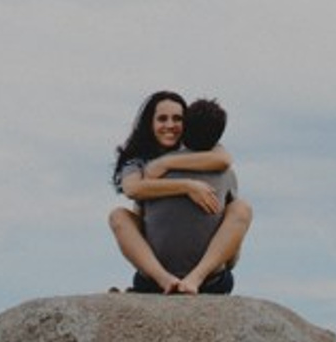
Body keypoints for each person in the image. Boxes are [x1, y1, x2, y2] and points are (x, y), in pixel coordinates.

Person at [108, 91, 253, 295]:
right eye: (162, 119)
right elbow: (133, 189)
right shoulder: (138, 161)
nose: (170, 125)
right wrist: (187, 186)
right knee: (119, 215)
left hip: (204, 277)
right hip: (156, 275)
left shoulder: (206, 154)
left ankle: (194, 278)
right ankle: (164, 279)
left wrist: (165, 164)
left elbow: (224, 159)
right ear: (150, 124)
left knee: (241, 208)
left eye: (177, 119)